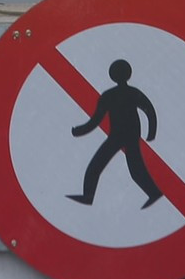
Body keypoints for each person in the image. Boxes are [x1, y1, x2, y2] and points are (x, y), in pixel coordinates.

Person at [67, 59, 162, 209]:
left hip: (121, 136)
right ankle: (153, 192)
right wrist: (151, 133)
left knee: (98, 166)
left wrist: (79, 131)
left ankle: (88, 196)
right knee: (132, 169)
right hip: (124, 135)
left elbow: (96, 120)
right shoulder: (128, 93)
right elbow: (150, 111)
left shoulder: (110, 95)